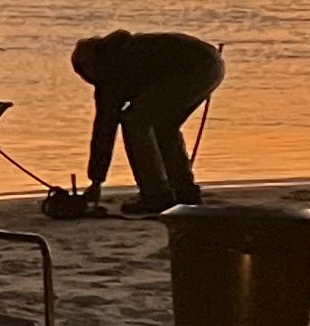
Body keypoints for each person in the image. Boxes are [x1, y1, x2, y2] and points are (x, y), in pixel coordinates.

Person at [71, 29, 223, 212]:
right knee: (165, 127)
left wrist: (96, 181)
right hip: (211, 65)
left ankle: (156, 194)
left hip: (193, 68)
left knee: (136, 122)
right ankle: (185, 192)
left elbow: (105, 128)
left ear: (88, 65)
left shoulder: (109, 68)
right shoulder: (122, 51)